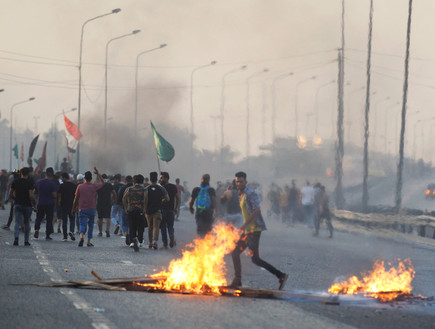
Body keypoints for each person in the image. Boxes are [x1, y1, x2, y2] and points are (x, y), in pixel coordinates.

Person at [230, 171, 288, 290]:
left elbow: (257, 210)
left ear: (246, 182)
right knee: (236, 253)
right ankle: (237, 280)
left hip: (254, 229)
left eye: (241, 181)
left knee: (254, 258)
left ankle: (281, 275)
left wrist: (245, 224)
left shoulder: (251, 194)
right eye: (237, 181)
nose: (239, 183)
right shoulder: (240, 194)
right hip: (248, 231)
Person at [72, 167, 104, 247]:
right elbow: (103, 183)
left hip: (82, 208)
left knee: (82, 224)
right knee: (90, 225)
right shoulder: (94, 186)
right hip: (91, 208)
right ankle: (88, 242)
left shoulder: (80, 186)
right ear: (91, 178)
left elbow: (76, 198)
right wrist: (98, 173)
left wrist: (73, 208)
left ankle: (81, 236)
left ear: (84, 178)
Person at [7, 167, 36, 246]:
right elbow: (31, 195)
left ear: (21, 173)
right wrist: (34, 204)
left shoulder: (16, 181)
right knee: (27, 223)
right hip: (27, 205)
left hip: (17, 204)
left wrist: (15, 199)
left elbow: (10, 193)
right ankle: (26, 241)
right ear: (28, 173)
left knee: (17, 222)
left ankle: (16, 238)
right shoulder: (29, 182)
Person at [144, 172, 169, 249]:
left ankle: (150, 243)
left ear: (150, 179)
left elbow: (144, 199)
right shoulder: (161, 188)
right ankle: (155, 241)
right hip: (158, 211)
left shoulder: (146, 189)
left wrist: (144, 209)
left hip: (148, 211)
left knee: (150, 227)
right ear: (157, 178)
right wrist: (162, 200)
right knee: (156, 227)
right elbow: (167, 199)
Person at [122, 174, 147, 252]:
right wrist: (145, 208)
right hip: (140, 210)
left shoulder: (129, 189)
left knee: (132, 226)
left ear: (134, 181)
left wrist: (126, 208)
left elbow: (124, 198)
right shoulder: (144, 189)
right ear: (142, 181)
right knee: (140, 226)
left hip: (131, 210)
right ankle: (140, 240)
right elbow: (146, 198)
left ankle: (132, 241)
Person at [34, 167, 58, 240]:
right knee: (49, 219)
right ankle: (47, 235)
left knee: (39, 218)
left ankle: (36, 229)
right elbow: (54, 195)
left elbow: (34, 192)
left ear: (45, 174)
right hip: (49, 203)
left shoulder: (38, 182)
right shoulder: (52, 183)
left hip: (40, 202)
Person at [159, 172, 179, 248]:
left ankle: (165, 244)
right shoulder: (173, 187)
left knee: (163, 227)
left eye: (161, 178)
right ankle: (171, 236)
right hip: (171, 210)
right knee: (170, 226)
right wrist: (175, 208)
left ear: (166, 178)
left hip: (163, 210)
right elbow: (177, 198)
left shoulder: (161, 187)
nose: (160, 179)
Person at [57, 172, 77, 241]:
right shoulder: (74, 185)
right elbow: (76, 196)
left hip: (63, 205)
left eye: (61, 177)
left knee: (64, 221)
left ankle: (65, 236)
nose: (61, 179)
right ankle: (71, 231)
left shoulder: (61, 186)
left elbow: (59, 196)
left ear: (64, 178)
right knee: (72, 220)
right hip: (72, 205)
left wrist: (59, 203)